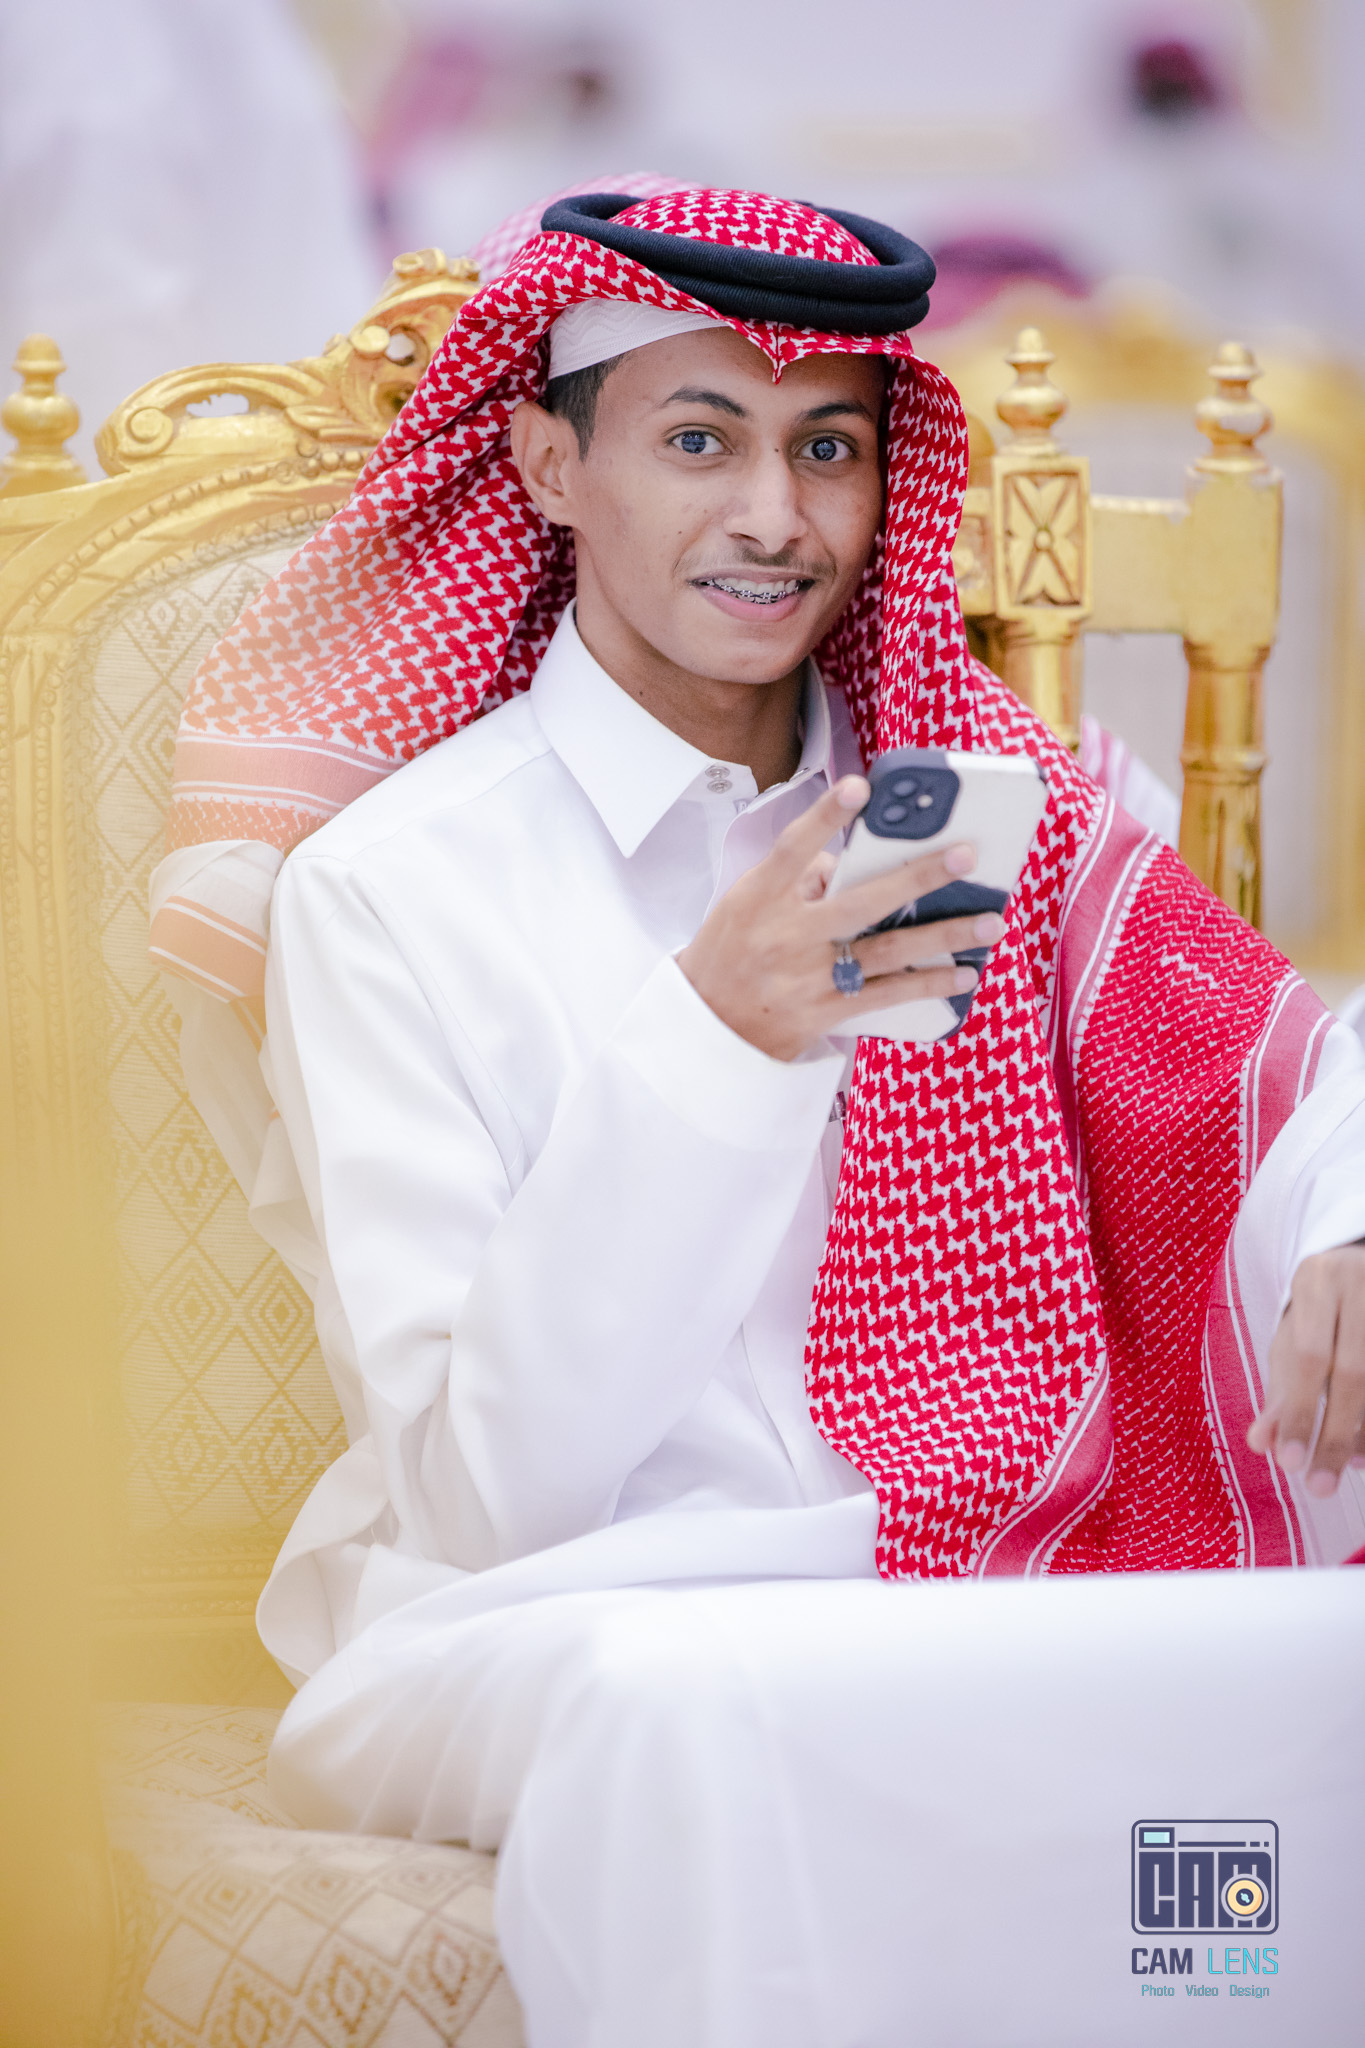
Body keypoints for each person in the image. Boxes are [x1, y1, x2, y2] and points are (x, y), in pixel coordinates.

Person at [151, 190, 1365, 2047]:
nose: (775, 519)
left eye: (825, 449)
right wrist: (715, 1041)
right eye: (699, 440)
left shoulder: (972, 807)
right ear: (547, 465)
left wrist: (1348, 1207)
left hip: (975, 1560)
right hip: (569, 1615)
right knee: (693, 1723)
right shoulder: (392, 891)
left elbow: (1281, 1064)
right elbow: (495, 1494)